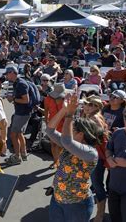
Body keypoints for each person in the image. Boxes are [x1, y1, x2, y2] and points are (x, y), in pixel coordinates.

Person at [46, 93, 103, 222]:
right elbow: (49, 130)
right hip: (57, 200)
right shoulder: (69, 145)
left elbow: (67, 141)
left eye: (73, 130)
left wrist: (70, 115)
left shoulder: (90, 153)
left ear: (81, 134)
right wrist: (64, 110)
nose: (69, 132)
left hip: (77, 205)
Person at [4, 66, 33, 165]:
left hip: (22, 113)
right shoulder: (17, 82)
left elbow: (26, 100)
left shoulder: (20, 84)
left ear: (12, 73)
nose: (6, 76)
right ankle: (23, 153)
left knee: (13, 135)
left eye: (7, 74)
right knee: (19, 133)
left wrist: (13, 99)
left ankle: (17, 157)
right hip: (22, 112)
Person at [44, 83, 67, 169]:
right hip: (52, 124)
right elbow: (46, 110)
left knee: (61, 145)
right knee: (53, 144)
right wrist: (46, 121)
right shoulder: (47, 99)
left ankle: (60, 162)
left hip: (63, 124)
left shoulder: (66, 99)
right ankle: (55, 161)